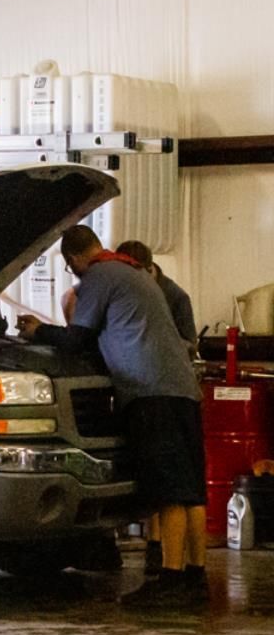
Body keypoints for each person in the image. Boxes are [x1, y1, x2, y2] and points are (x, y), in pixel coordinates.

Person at [17, 225, 208, 608]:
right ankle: (194, 577)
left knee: (169, 490)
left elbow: (78, 338)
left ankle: (170, 580)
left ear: (72, 260)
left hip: (150, 391)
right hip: (183, 390)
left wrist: (38, 331)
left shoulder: (99, 276)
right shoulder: (134, 272)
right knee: (190, 491)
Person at [115, 240, 199, 575]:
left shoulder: (175, 296)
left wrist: (158, 349)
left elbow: (190, 341)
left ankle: (173, 569)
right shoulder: (135, 290)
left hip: (164, 389)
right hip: (171, 390)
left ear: (145, 268)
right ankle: (177, 561)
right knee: (170, 484)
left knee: (173, 486)